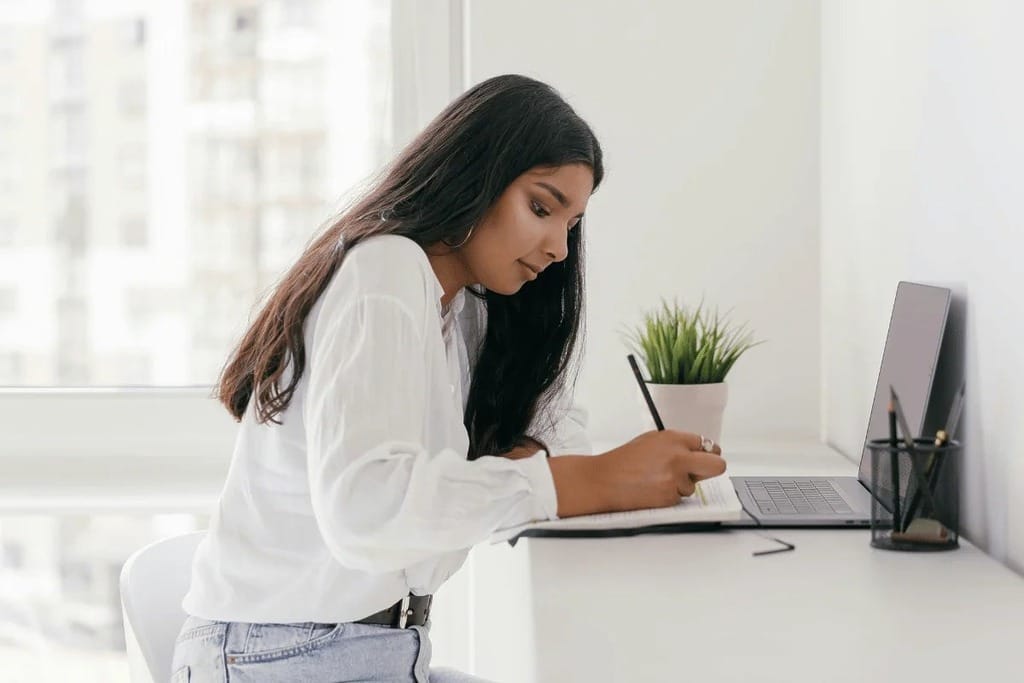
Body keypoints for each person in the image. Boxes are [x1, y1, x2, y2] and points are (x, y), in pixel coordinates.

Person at [171, 74, 726, 683]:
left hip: (371, 652)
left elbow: (560, 435)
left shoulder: (465, 312)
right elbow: (367, 513)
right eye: (541, 207)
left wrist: (557, 472)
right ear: (474, 176)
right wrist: (575, 482)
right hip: (284, 658)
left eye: (570, 224)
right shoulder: (385, 269)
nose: (560, 249)